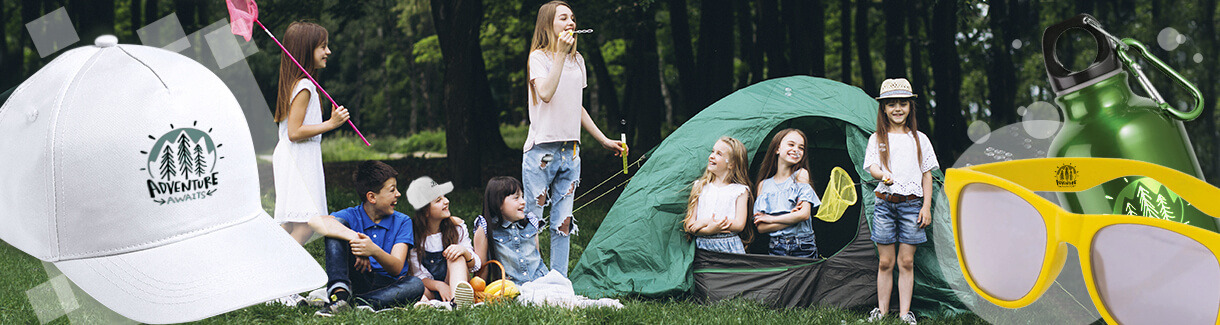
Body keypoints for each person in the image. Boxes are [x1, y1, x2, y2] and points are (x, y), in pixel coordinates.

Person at [524, 0, 627, 276]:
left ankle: (558, 279)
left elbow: (576, 105)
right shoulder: (539, 58)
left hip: (571, 151)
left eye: (572, 18)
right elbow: (545, 93)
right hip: (541, 152)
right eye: (563, 18)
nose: (571, 22)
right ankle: (532, 278)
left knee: (563, 221)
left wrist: (604, 140)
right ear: (548, 24)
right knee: (533, 220)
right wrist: (559, 54)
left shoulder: (577, 60)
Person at [864, 78, 938, 325]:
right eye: (891, 104)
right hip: (884, 204)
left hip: (912, 206)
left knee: (906, 261)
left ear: (910, 107)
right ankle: (882, 312)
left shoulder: (920, 139)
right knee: (886, 261)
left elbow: (927, 175)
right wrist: (881, 175)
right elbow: (873, 166)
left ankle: (906, 314)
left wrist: (926, 206)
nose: (897, 108)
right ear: (883, 108)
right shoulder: (877, 138)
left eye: (903, 104)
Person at [306, 161, 423, 316]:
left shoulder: (403, 221)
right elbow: (314, 222)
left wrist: (372, 250)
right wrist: (356, 239)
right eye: (392, 190)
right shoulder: (352, 215)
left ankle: (346, 302)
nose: (398, 194)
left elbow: (396, 268)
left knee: (416, 285)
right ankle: (340, 294)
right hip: (357, 278)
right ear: (372, 197)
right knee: (335, 227)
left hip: (387, 285)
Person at [272, 21, 350, 246]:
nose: (328, 52)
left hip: (293, 156)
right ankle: (282, 271)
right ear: (306, 50)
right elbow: (294, 132)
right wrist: (331, 123)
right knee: (306, 225)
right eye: (322, 47)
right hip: (298, 158)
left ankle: (268, 268)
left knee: (290, 224)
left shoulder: (296, 83)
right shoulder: (305, 86)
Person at [405, 176, 478, 308]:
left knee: (456, 254)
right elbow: (418, 274)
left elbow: (476, 265)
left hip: (456, 283)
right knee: (415, 288)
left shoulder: (457, 228)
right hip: (431, 287)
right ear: (425, 211)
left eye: (444, 197)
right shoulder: (414, 235)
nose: (446, 201)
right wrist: (440, 286)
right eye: (439, 200)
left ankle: (458, 301)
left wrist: (465, 252)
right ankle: (428, 304)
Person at [753, 129, 820, 258]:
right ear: (777, 148)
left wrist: (771, 219)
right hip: (776, 246)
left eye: (801, 148)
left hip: (803, 244)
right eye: (791, 144)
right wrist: (792, 217)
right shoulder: (763, 185)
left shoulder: (801, 175)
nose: (796, 150)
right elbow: (761, 227)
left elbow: (804, 214)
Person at [683, 137, 753, 254]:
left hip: (729, 247)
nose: (711, 156)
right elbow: (690, 224)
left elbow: (739, 224)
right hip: (702, 249)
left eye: (719, 154)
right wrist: (708, 230)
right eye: (712, 151)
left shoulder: (740, 190)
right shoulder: (700, 186)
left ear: (731, 164)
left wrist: (706, 222)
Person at [473, 176, 549, 283]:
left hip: (540, 279)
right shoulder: (486, 228)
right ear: (499, 203)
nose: (523, 202)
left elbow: (537, 256)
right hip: (511, 285)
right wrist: (479, 289)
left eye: (522, 197)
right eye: (516, 198)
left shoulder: (531, 223)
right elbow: (482, 266)